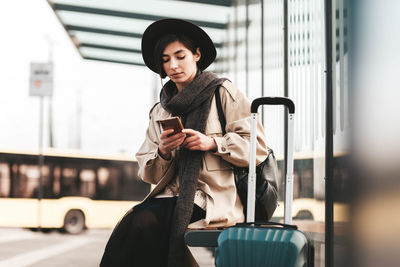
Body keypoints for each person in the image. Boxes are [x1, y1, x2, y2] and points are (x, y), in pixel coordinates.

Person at [100, 18, 269, 267]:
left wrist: (212, 143)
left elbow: (257, 148)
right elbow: (148, 173)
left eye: (180, 56)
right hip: (171, 196)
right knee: (137, 226)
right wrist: (163, 151)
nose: (173, 66)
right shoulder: (161, 110)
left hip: (212, 198)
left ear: (197, 54)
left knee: (140, 223)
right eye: (166, 60)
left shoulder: (223, 93)